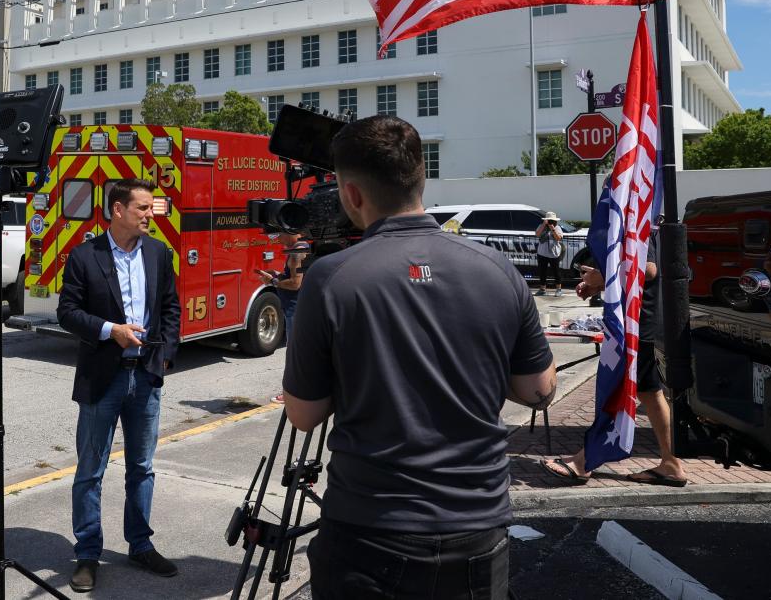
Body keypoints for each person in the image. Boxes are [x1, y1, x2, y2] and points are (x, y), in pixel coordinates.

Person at [283, 116, 557, 600]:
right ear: (421, 178)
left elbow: (303, 415)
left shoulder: (330, 278)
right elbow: (538, 390)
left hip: (368, 526)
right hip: (476, 525)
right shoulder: (496, 269)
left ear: (351, 195)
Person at [56, 177, 181, 593]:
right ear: (118, 210)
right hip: (102, 379)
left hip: (145, 376)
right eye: (143, 208)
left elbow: (169, 308)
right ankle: (87, 554)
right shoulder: (85, 256)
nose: (151, 215)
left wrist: (164, 355)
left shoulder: (159, 254)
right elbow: (67, 313)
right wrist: (112, 330)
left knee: (142, 468)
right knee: (91, 470)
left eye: (151, 207)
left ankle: (140, 545)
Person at [543, 230, 688, 487]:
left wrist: (602, 276)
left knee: (618, 392)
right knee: (649, 393)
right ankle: (671, 464)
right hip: (639, 325)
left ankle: (584, 461)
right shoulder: (636, 215)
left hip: (638, 326)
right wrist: (599, 282)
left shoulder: (639, 216)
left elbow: (649, 270)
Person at [255, 231, 308, 405]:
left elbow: (295, 283)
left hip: (295, 309)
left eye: (280, 235)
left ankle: (291, 394)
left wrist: (274, 282)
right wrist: (276, 276)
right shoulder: (304, 247)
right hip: (299, 308)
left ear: (290, 232)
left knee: (294, 354)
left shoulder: (295, 253)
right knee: (299, 353)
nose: (278, 239)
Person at [534, 211, 565, 297]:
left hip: (554, 253)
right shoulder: (541, 226)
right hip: (542, 253)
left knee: (556, 272)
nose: (550, 222)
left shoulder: (557, 228)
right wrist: (544, 224)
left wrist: (553, 229)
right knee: (542, 271)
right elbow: (537, 234)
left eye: (552, 220)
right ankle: (542, 289)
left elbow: (558, 238)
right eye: (548, 220)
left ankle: (558, 289)